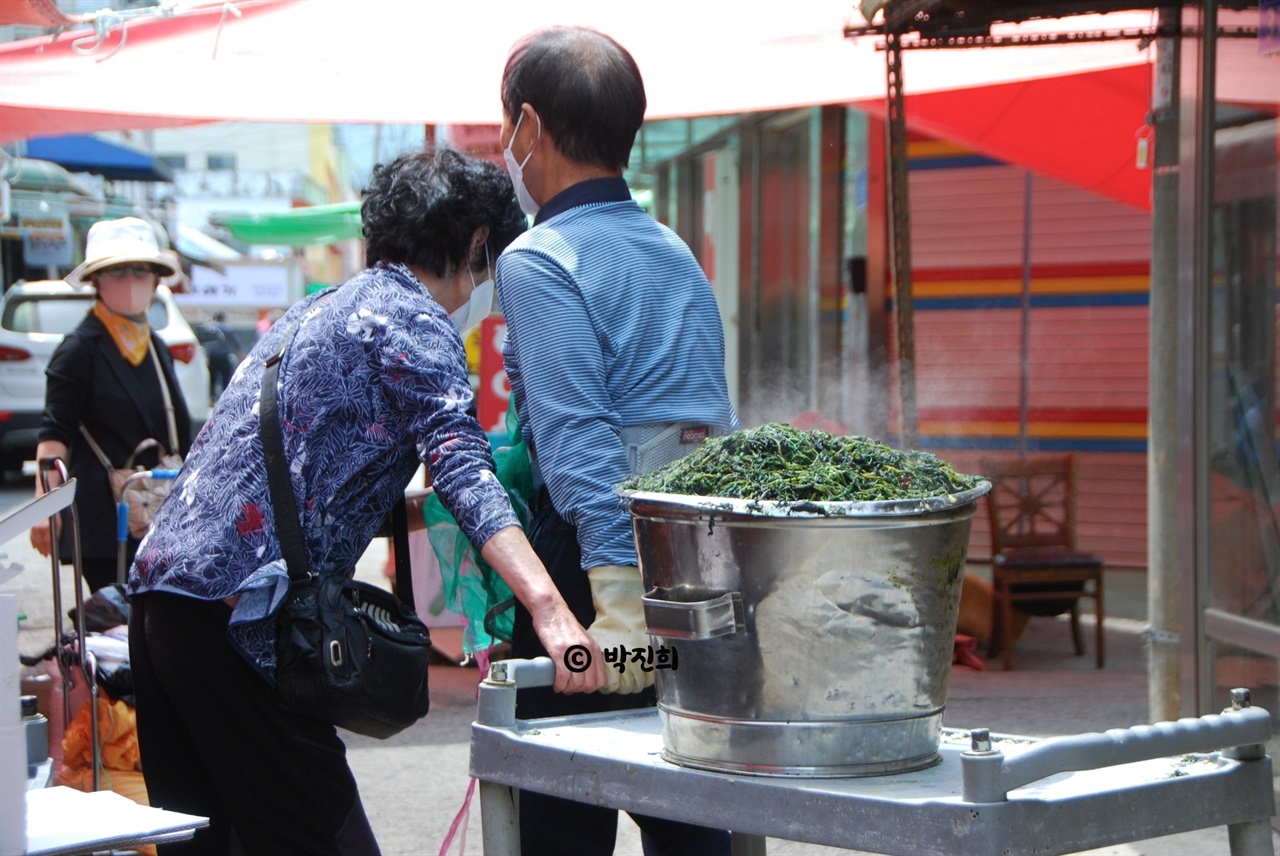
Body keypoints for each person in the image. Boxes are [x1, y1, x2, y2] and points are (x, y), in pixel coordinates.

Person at [127, 147, 607, 855]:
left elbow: (305, 478)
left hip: (159, 606)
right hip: (240, 621)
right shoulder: (414, 320)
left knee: (213, 843)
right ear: (477, 245)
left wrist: (413, 514)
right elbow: (461, 465)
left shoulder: (316, 311)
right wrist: (550, 607)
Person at [496, 26, 738, 856]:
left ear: (528, 128)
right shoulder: (673, 248)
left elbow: (577, 437)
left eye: (506, 128)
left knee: (566, 811)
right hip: (693, 567)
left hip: (594, 581)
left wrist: (616, 608)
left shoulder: (538, 258)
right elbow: (711, 426)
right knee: (690, 802)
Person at [30, 217, 193, 593]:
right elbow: (54, 434)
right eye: (116, 271)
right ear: (96, 281)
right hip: (104, 526)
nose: (131, 281)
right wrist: (44, 508)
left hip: (160, 518)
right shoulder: (78, 350)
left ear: (156, 279)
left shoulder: (156, 347)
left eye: (141, 270)